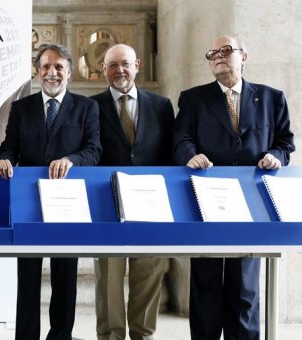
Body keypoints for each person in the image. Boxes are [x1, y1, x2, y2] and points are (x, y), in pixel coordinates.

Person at [172, 35, 295, 340]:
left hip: (252, 204)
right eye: (212, 52)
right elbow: (181, 140)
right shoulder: (192, 98)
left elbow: (285, 143)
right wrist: (191, 155)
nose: (218, 56)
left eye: (226, 50)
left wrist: (275, 156)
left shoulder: (271, 97)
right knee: (206, 284)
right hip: (206, 200)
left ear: (244, 56)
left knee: (245, 287)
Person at [0, 43, 102, 340]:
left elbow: (93, 150)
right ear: (37, 71)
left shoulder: (87, 107)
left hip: (68, 202)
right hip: (29, 201)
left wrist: (70, 160)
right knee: (27, 276)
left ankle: (60, 335)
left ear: (69, 71)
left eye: (58, 67)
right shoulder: (21, 107)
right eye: (46, 67)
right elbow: (10, 147)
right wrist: (4, 159)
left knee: (65, 276)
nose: (52, 73)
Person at [90, 44, 174, 340]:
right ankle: (111, 335)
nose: (119, 71)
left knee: (149, 274)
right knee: (109, 279)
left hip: (152, 204)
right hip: (107, 203)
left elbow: (170, 153)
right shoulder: (91, 106)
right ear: (104, 70)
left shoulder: (162, 106)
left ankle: (143, 334)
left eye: (125, 64)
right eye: (112, 65)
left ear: (137, 64)